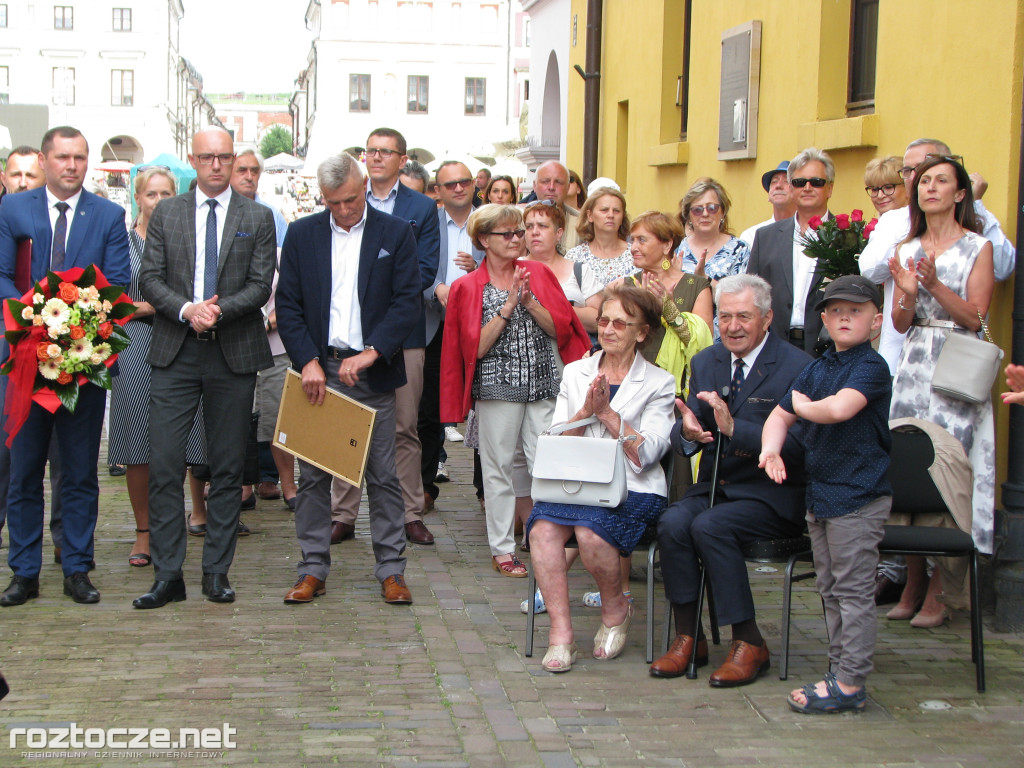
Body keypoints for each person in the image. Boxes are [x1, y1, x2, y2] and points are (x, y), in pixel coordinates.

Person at [134, 127, 276, 609]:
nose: (216, 165)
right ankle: (168, 574)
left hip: (232, 348)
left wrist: (218, 310)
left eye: (224, 157)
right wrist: (187, 309)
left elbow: (260, 285)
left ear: (233, 160)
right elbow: (148, 277)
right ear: (193, 160)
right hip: (176, 348)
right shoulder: (168, 213)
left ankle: (216, 571)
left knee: (227, 465)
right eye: (207, 157)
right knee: (166, 462)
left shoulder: (257, 216)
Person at [276, 152, 421, 606]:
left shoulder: (394, 233)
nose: (345, 210)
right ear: (323, 199)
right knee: (315, 476)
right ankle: (313, 568)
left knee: (381, 476)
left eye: (352, 200)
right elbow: (289, 306)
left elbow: (406, 303)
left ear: (365, 185)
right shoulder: (302, 235)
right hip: (318, 374)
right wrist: (308, 361)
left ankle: (391, 570)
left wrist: (373, 352)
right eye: (334, 203)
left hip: (370, 375)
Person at [651, 274, 810, 685]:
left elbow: (800, 448)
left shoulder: (798, 367)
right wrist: (687, 434)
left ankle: (748, 639)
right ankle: (689, 637)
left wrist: (735, 428)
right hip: (718, 486)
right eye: (724, 317)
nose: (732, 327)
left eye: (744, 316)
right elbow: (694, 427)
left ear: (767, 318)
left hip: (771, 494)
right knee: (673, 521)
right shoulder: (707, 361)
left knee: (710, 525)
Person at [0, 126, 131, 606]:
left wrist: (75, 333)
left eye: (79, 158)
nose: (71, 166)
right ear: (45, 159)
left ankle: (77, 567)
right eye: (61, 158)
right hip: (22, 362)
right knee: (24, 471)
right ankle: (24, 572)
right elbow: (0, 274)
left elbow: (116, 287)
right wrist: (31, 320)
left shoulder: (109, 215)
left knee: (78, 472)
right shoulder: (14, 208)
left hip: (82, 365)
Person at [760, 274, 892, 714]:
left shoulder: (871, 367)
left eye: (855, 311)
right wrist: (770, 449)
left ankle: (851, 683)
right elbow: (777, 418)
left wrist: (798, 406)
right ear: (823, 319)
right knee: (831, 589)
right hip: (821, 496)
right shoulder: (820, 368)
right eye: (836, 311)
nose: (844, 318)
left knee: (853, 592)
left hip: (858, 495)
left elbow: (836, 410)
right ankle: (839, 671)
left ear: (876, 321)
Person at [528, 284, 675, 671]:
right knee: (542, 531)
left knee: (592, 532)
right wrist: (582, 415)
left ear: (641, 333)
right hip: (575, 484)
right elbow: (554, 439)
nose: (607, 330)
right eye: (604, 321)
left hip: (633, 487)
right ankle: (561, 635)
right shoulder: (576, 372)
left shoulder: (659, 382)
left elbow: (650, 452)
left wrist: (608, 414)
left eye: (620, 324)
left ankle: (615, 610)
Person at [440, 204, 590, 577]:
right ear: (483, 241)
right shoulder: (467, 286)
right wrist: (507, 308)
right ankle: (503, 549)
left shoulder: (537, 273)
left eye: (518, 232)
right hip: (496, 389)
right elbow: (471, 349)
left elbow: (564, 329)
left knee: (546, 465)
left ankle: (546, 541)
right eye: (506, 234)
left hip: (543, 384)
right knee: (498, 469)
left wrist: (529, 303)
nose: (516, 239)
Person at [886, 155, 995, 626]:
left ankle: (940, 588)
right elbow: (899, 320)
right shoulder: (906, 244)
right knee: (909, 456)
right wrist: (908, 289)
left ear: (960, 193)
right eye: (924, 181)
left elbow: (976, 317)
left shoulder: (977, 246)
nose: (930, 188)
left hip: (955, 358)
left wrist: (934, 284)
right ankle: (911, 580)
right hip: (915, 361)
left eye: (941, 181)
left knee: (948, 463)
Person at [330, 128, 440, 547]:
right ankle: (343, 513)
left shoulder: (421, 208)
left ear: (402, 158)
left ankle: (411, 512)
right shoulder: (345, 199)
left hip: (403, 334)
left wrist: (383, 311)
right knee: (345, 425)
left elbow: (424, 272)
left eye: (385, 152)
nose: (376, 158)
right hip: (346, 334)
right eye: (370, 151)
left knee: (403, 427)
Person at [108, 168, 207, 567]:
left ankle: (185, 516)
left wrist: (160, 305)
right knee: (137, 441)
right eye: (152, 194)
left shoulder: (190, 239)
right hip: (134, 343)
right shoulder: (123, 241)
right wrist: (154, 306)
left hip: (183, 343)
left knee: (184, 436)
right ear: (138, 197)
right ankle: (144, 531)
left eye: (167, 193)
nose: (160, 201)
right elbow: (110, 297)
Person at [859, 138, 1015, 374]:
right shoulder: (895, 224)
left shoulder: (976, 239)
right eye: (909, 171)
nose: (916, 177)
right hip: (904, 357)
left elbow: (1003, 268)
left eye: (935, 175)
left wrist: (976, 203)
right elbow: (870, 271)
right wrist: (915, 224)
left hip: (959, 366)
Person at [0, 146, 61, 560]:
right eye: (14, 174)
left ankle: (65, 541)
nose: (22, 182)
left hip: (60, 347)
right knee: (11, 456)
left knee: (63, 458)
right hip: (10, 353)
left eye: (29, 175)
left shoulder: (58, 223)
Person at [231, 149, 294, 508]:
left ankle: (285, 484)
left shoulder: (273, 217)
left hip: (274, 339)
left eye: (255, 170)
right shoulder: (218, 221)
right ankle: (241, 484)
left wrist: (275, 315)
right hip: (234, 336)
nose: (249, 175)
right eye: (243, 169)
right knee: (238, 416)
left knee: (277, 416)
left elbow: (289, 278)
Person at [747, 147, 835, 355]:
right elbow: (752, 293)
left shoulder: (845, 237)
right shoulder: (765, 237)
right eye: (798, 182)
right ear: (792, 188)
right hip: (774, 347)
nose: (807, 187)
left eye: (816, 182)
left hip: (827, 348)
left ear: (829, 189)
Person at [625, 211, 713, 398]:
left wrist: (669, 309)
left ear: (667, 245)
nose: (633, 247)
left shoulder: (696, 286)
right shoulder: (626, 286)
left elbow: (703, 345)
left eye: (642, 240)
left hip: (676, 390)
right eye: (632, 240)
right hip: (631, 384)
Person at [524, 200, 603, 332]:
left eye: (543, 226)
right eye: (529, 226)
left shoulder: (579, 271)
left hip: (571, 350)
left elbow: (599, 319)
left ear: (559, 233)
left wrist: (556, 309)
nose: (535, 232)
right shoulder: (513, 268)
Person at [676, 178, 750, 282]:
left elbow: (742, 294)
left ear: (723, 212)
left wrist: (705, 279)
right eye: (697, 209)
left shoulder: (740, 250)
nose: (705, 214)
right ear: (688, 216)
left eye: (712, 208)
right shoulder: (677, 250)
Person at [566, 187, 634, 286]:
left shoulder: (635, 254)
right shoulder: (575, 256)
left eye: (616, 211)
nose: (611, 215)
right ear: (590, 215)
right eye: (604, 210)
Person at [738, 161, 796, 248]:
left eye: (786, 181)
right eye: (774, 181)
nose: (778, 185)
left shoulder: (809, 234)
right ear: (769, 196)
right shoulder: (752, 235)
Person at [532, 161, 580, 251]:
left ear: (568, 187)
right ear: (535, 185)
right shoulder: (519, 221)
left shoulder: (581, 223)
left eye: (558, 182)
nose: (551, 187)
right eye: (545, 181)